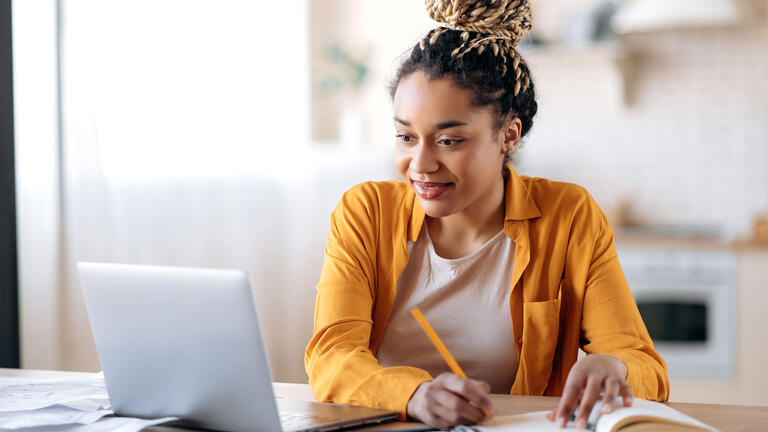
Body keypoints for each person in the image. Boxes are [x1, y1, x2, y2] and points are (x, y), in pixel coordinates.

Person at [304, 0, 669, 429]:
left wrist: (615, 369)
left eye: (449, 140)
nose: (419, 164)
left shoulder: (569, 216)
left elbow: (645, 367)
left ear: (508, 135)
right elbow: (331, 356)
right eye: (405, 136)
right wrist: (415, 395)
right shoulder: (364, 213)